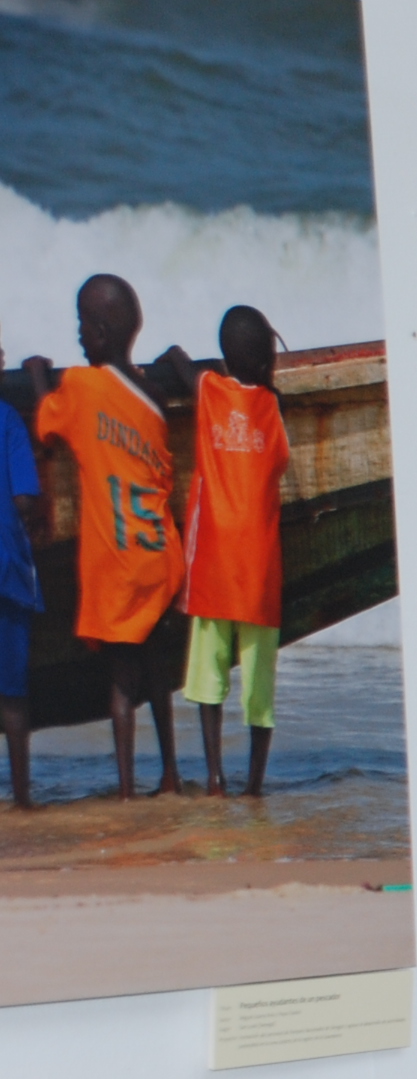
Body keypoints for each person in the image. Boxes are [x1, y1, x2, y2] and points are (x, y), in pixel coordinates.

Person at [24, 273, 186, 800]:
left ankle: (124, 788)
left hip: (115, 563)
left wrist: (34, 377)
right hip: (159, 554)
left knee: (120, 684)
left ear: (97, 330)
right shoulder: (154, 396)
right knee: (158, 674)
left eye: (80, 324)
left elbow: (47, 424)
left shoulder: (82, 388)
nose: (76, 334)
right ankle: (170, 775)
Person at [178, 305, 291, 798]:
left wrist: (173, 357)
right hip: (260, 568)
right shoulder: (273, 407)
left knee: (208, 676)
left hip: (214, 563)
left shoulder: (210, 390)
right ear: (267, 359)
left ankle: (216, 778)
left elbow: (182, 368)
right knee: (258, 686)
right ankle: (255, 784)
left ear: (225, 358)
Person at [0, 316, 41, 808]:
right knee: (11, 697)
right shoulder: (7, 419)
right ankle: (25, 796)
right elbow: (26, 498)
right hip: (6, 572)